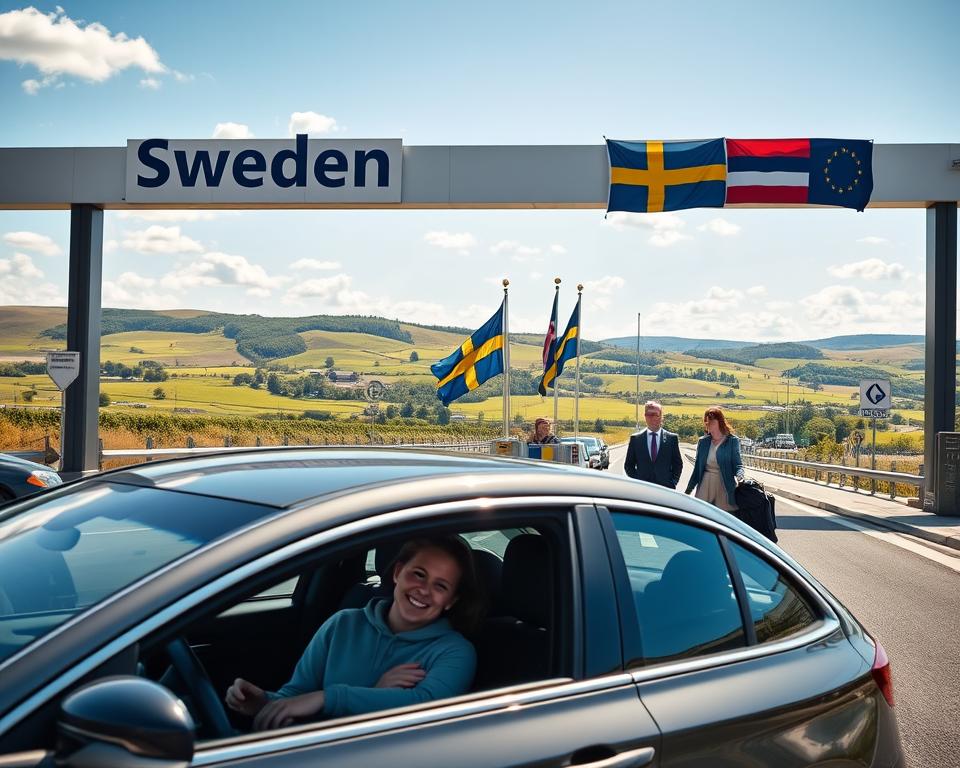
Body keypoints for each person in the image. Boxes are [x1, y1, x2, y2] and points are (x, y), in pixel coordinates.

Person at [225, 536, 482, 731]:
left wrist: (328, 697)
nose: (424, 590)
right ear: (397, 573)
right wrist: (264, 703)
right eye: (418, 574)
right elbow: (296, 697)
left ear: (450, 600)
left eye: (440, 586)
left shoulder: (454, 652)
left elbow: (423, 706)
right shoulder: (343, 624)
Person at [685, 407, 745, 512]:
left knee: (724, 520)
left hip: (724, 486)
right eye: (706, 421)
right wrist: (687, 491)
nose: (708, 423)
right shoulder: (703, 442)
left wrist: (740, 475)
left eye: (712, 420)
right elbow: (697, 470)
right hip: (705, 486)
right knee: (702, 518)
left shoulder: (732, 441)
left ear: (719, 422)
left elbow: (737, 464)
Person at [624, 400, 683, 489]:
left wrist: (673, 482)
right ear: (645, 416)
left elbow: (678, 464)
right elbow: (628, 465)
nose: (652, 417)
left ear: (661, 417)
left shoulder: (672, 439)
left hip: (666, 489)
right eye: (649, 414)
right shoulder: (636, 439)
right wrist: (637, 481)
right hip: (642, 490)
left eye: (655, 414)